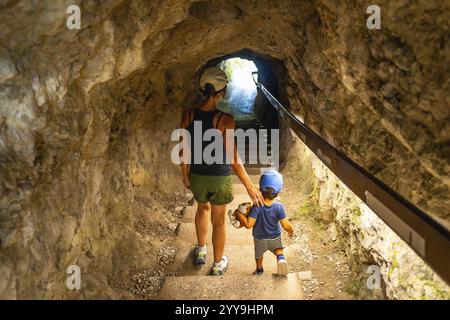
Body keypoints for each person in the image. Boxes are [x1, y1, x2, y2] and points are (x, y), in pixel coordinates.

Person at [179, 66, 264, 276]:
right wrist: (249, 186)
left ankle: (200, 251)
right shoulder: (226, 120)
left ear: (202, 90)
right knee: (218, 221)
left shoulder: (188, 115)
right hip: (219, 177)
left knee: (201, 209)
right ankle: (218, 264)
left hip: (197, 175)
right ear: (222, 92)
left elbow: (184, 149)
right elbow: (233, 157)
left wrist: (184, 174)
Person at [233, 169, 294, 276]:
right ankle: (281, 259)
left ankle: (259, 270)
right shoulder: (279, 207)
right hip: (275, 237)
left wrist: (238, 214)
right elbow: (286, 225)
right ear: (278, 192)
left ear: (260, 189)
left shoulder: (256, 207)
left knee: (259, 255)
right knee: (278, 250)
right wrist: (291, 231)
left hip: (260, 238)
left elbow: (248, 225)